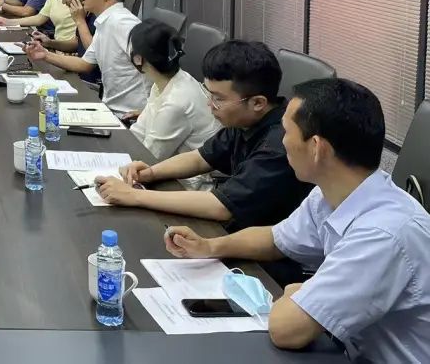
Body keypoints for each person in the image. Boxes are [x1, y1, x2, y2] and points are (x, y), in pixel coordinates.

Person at [165, 79, 430, 362]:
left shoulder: (383, 235)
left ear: (316, 147)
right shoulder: (332, 193)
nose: (281, 141)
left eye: (287, 131)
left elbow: (287, 330)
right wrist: (210, 247)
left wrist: (302, 291)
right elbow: (276, 239)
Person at [95, 40, 312, 230]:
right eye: (209, 94)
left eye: (218, 98)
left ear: (257, 102)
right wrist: (150, 173)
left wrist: (134, 195)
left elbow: (222, 207)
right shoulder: (246, 120)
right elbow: (200, 158)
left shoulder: (279, 145)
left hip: (263, 251)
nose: (210, 104)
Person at [25, 0, 147, 113]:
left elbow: (159, 73)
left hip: (127, 115)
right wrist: (44, 54)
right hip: (110, 108)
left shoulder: (124, 24)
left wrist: (146, 113)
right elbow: (85, 64)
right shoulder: (105, 21)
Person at [126, 19, 219, 187]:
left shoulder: (177, 101)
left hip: (188, 186)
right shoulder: (165, 82)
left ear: (139, 59)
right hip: (168, 172)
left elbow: (150, 157)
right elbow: (139, 131)